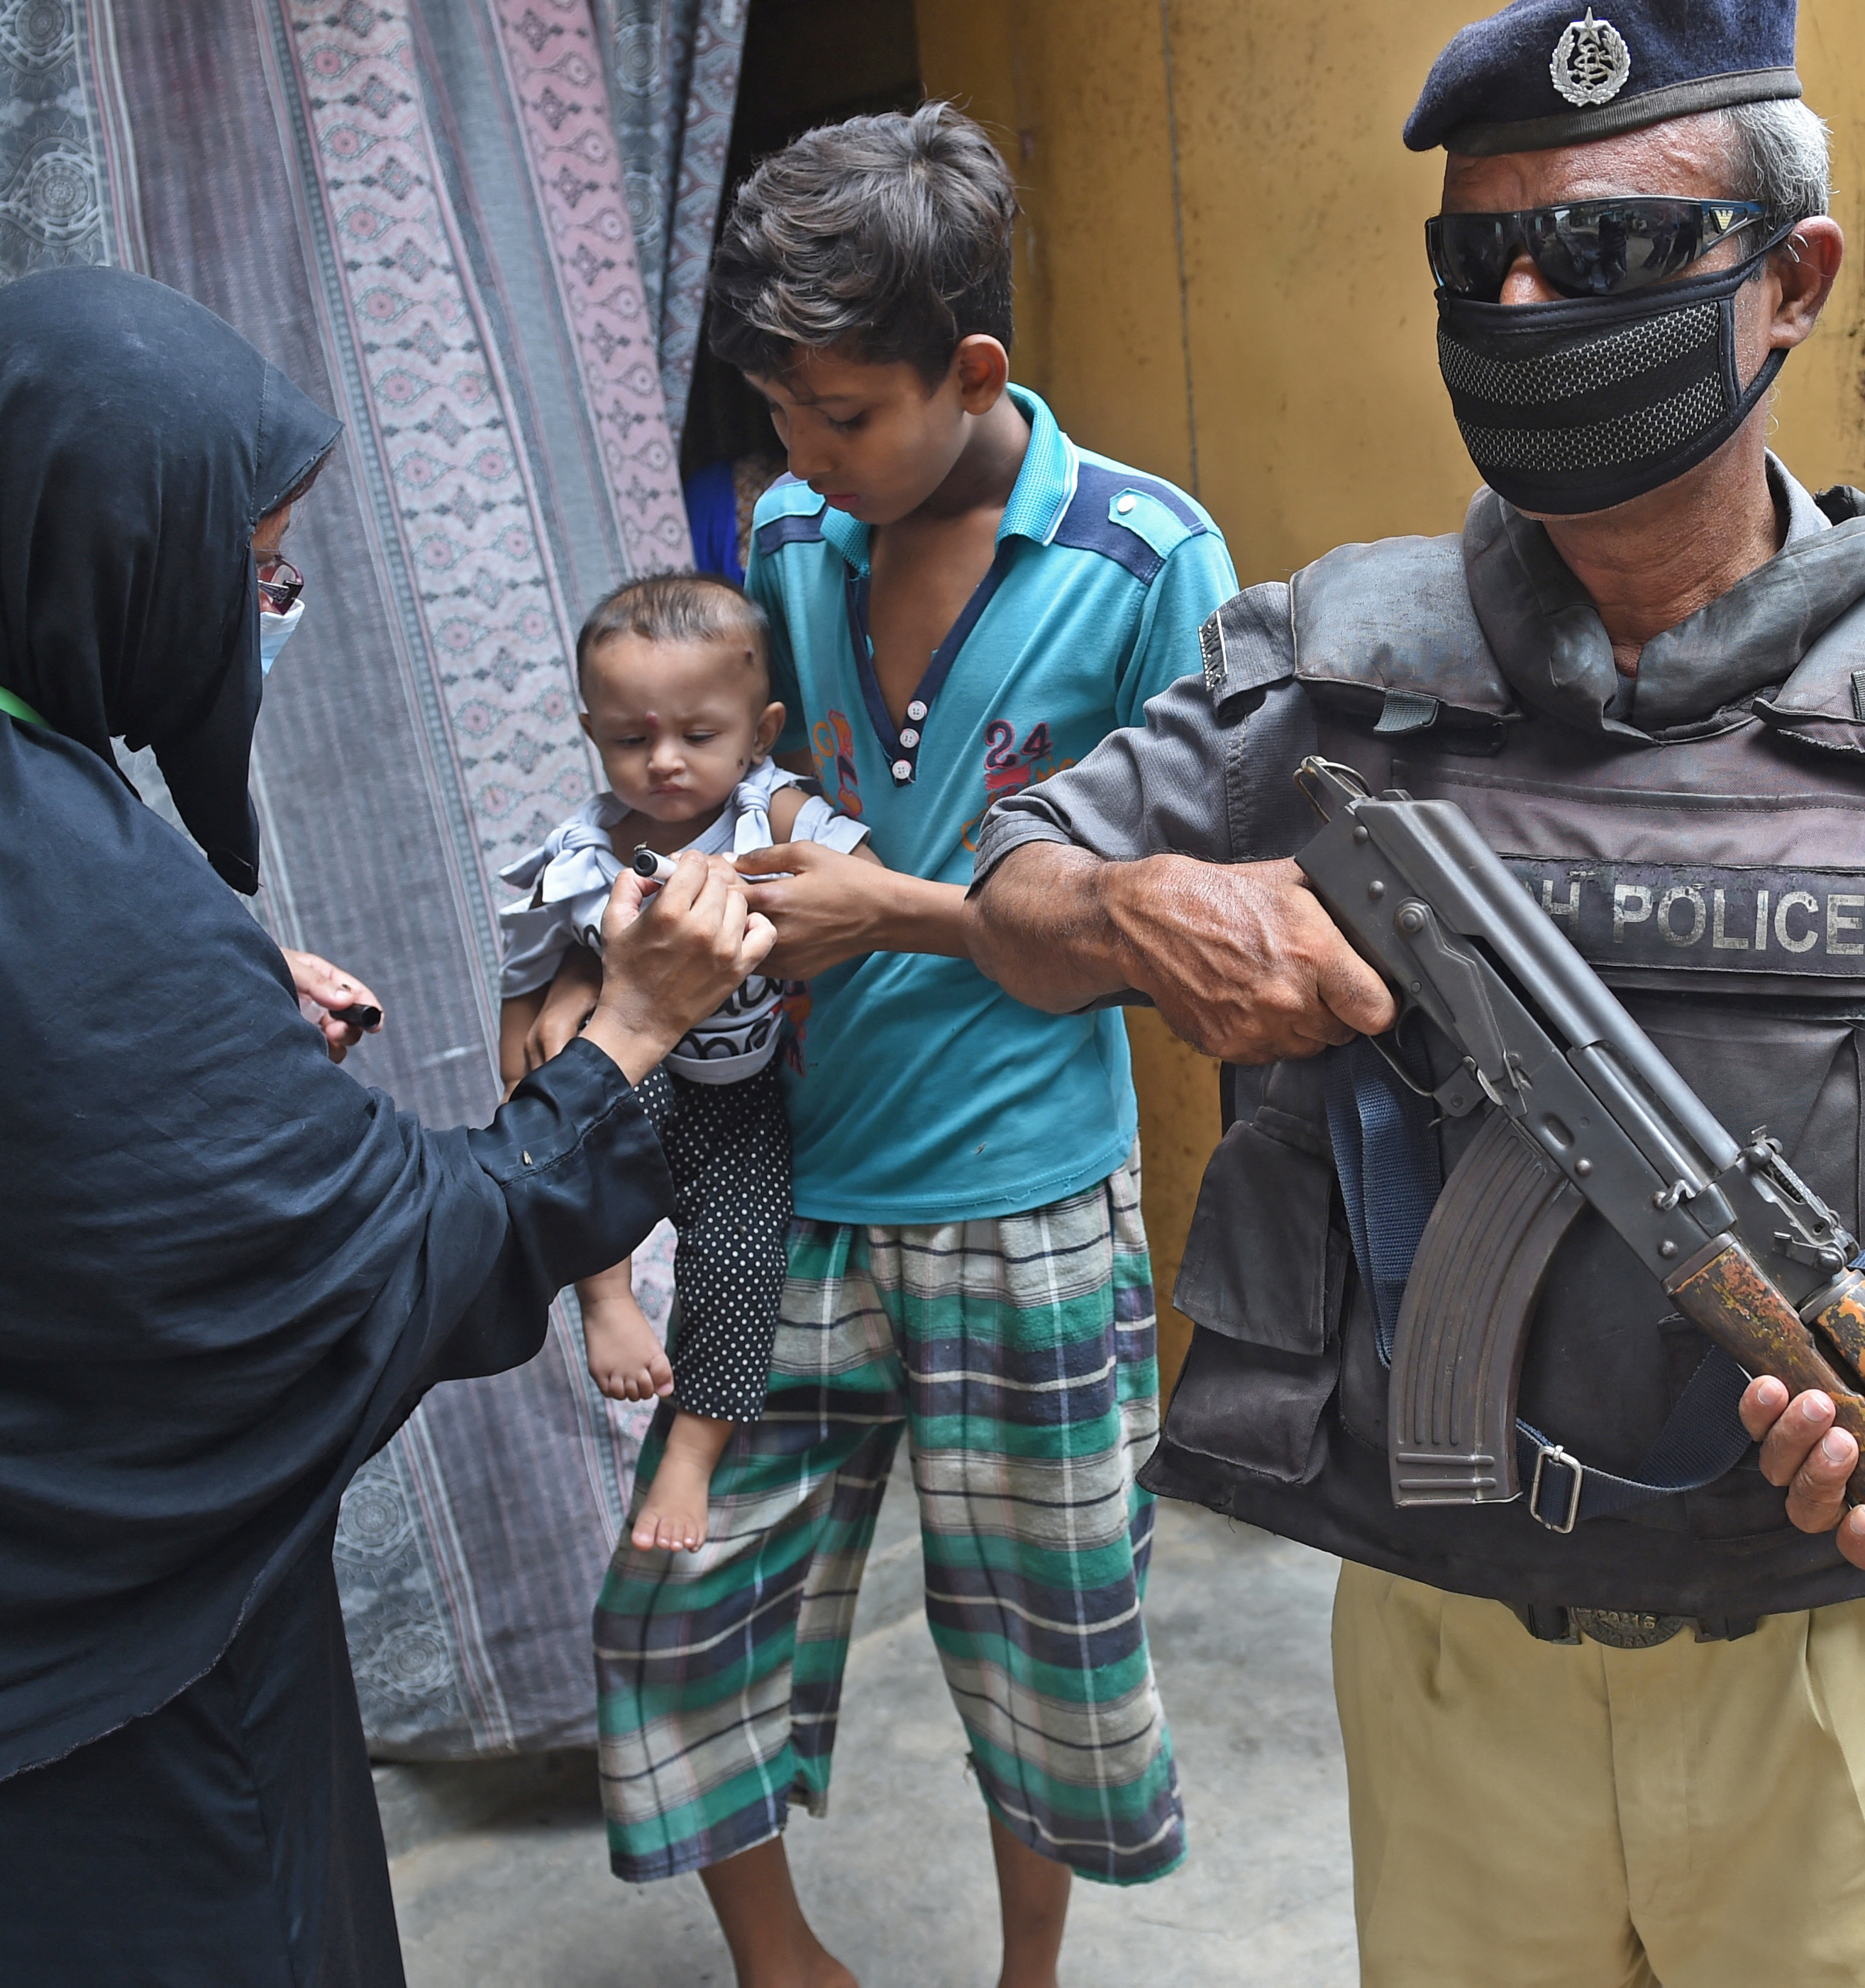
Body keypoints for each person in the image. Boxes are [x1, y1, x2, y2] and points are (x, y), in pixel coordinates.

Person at [965, 6, 1865, 1983]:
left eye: (1592, 257)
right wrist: (1157, 907)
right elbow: (1009, 885)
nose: (1516, 304)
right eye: (1468, 263)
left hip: (1847, 1650)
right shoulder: (1330, 666)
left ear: (1791, 280)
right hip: (1451, 1659)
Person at [0, 267, 768, 1987]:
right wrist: (636, 1032)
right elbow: (386, 1268)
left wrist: (201, 992)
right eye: (253, 572)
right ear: (100, 541)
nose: (268, 612)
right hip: (36, 1735)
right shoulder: (52, 902)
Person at [579, 103, 1240, 1988]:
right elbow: (731, 789)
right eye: (776, 414)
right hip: (784, 1195)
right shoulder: (791, 530)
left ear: (973, 371)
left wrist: (914, 913)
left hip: (1020, 1206)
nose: (797, 460)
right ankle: (786, 1963)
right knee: (675, 1608)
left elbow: (1199, 932)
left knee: (1037, 1650)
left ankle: (1029, 1973)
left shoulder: (1143, 563)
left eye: (843, 415)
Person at [496, 572, 874, 1552]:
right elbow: (523, 996)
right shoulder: (582, 857)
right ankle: (609, 1302)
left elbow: (869, 888)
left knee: (747, 1261)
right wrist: (536, 1078)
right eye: (631, 739)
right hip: (638, 1085)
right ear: (593, 731)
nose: (663, 763)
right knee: (586, 1114)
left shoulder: (772, 817)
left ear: (758, 730)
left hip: (743, 1097)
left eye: (698, 737)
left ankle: (692, 1455)